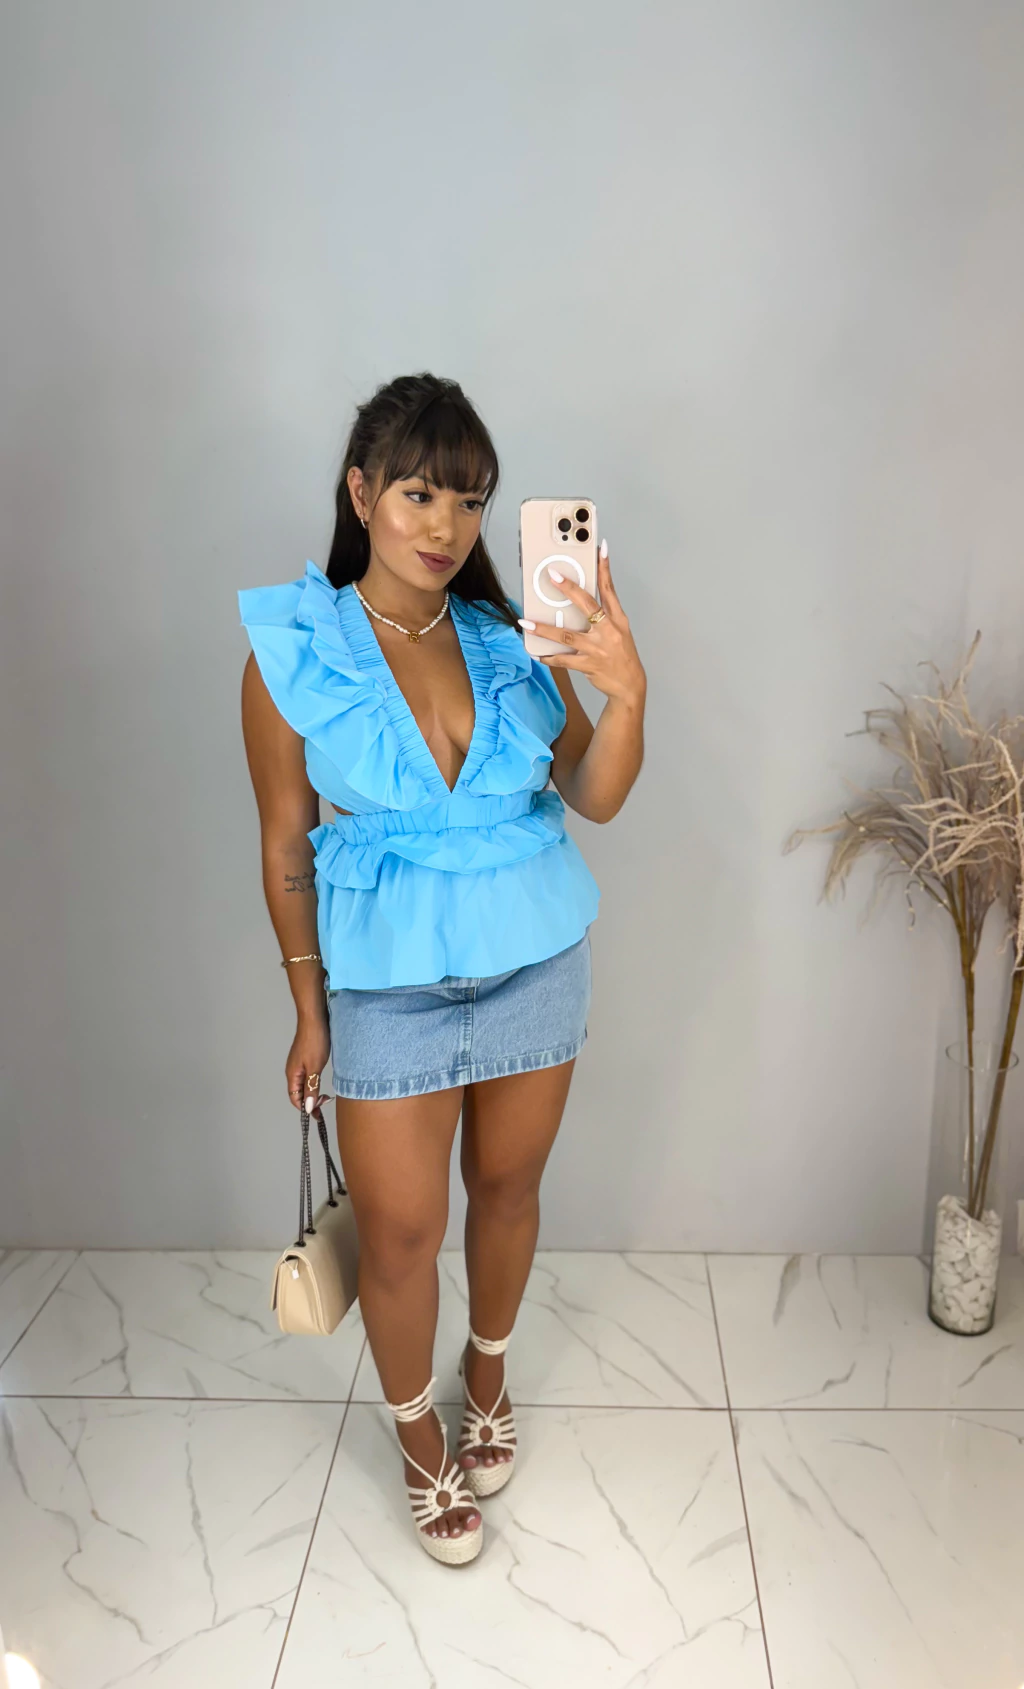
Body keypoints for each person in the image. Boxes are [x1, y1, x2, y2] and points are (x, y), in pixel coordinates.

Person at [238, 372, 646, 1564]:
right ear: (361, 491)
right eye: (419, 494)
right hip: (388, 987)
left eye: (469, 501)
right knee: (402, 1234)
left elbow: (595, 795)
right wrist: (308, 1009)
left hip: (533, 959)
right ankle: (420, 1440)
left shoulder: (514, 640)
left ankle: (490, 1372)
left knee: (508, 1192)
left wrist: (625, 694)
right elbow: (284, 846)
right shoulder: (294, 653)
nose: (446, 526)